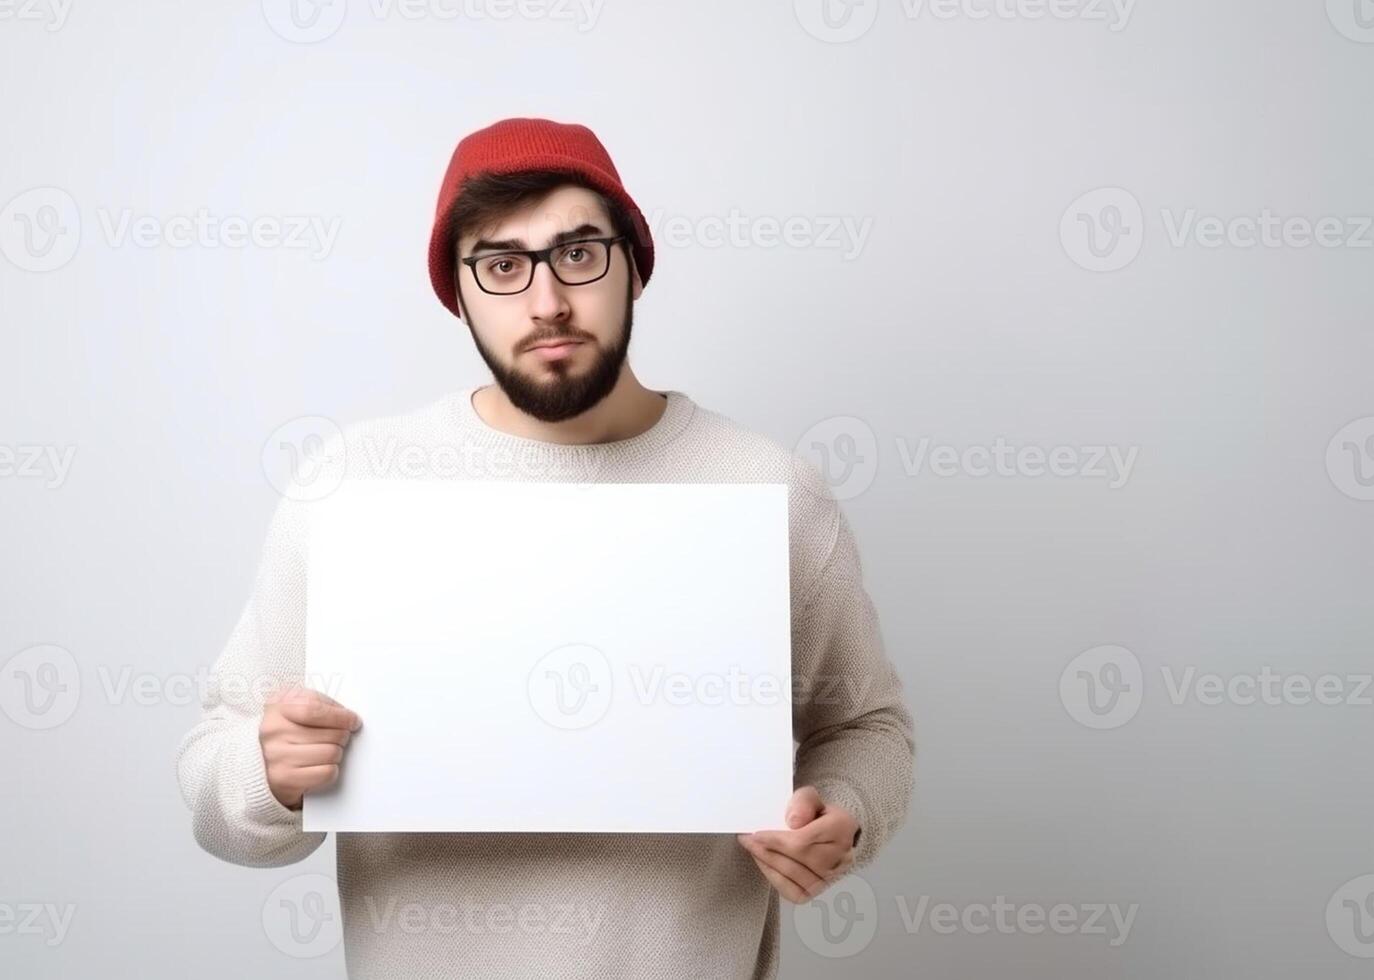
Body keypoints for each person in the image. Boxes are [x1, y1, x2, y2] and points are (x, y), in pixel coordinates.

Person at [175, 116, 915, 979]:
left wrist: (845, 814)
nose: (546, 301)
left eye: (577, 253)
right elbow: (211, 775)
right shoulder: (355, 486)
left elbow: (868, 727)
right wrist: (268, 774)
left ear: (633, 263)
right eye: (501, 265)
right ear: (458, 293)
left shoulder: (769, 488)